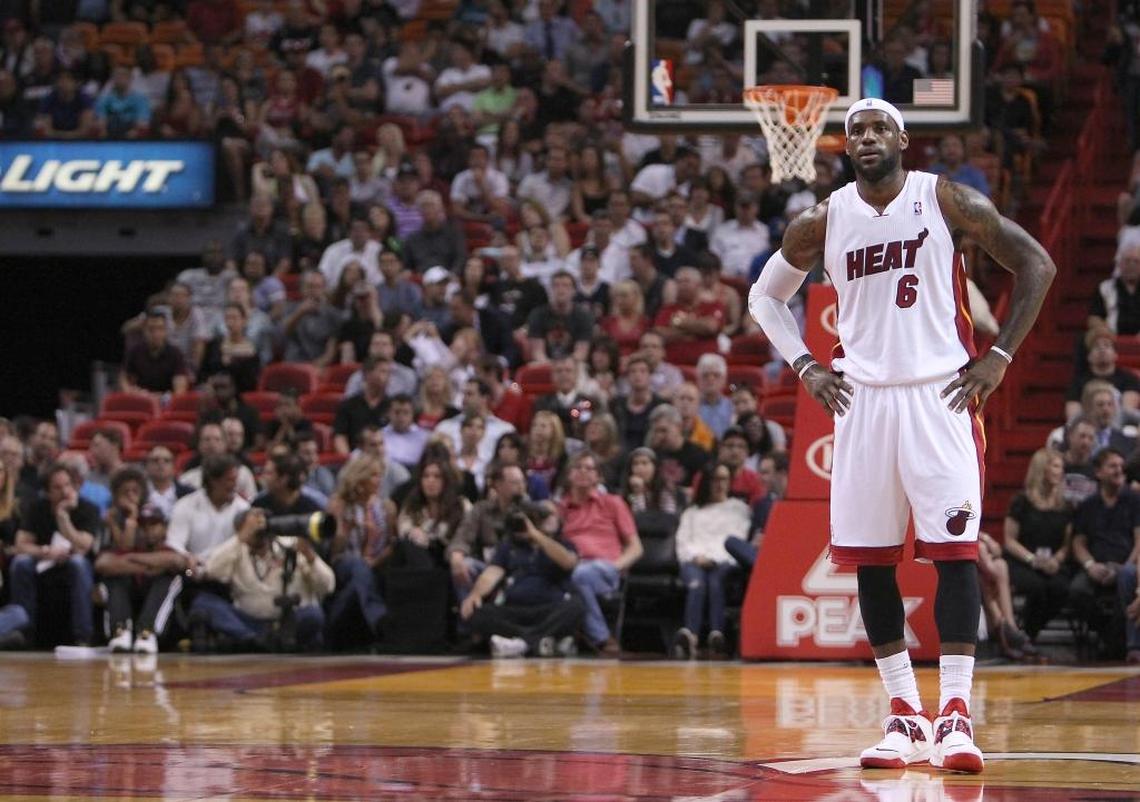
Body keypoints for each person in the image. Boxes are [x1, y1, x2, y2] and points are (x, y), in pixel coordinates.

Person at [748, 97, 1055, 773]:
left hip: (939, 395)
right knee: (872, 563)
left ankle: (955, 716)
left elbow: (1036, 263)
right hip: (861, 403)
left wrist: (999, 357)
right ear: (844, 144)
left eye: (879, 127)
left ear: (903, 139)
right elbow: (764, 297)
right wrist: (803, 364)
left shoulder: (945, 200)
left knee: (954, 554)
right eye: (856, 129)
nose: (866, 137)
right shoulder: (823, 221)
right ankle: (905, 715)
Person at [459, 496, 583, 659]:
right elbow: (493, 572)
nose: (547, 518)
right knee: (479, 613)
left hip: (548, 609)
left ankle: (520, 644)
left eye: (550, 515)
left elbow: (568, 562)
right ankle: (537, 640)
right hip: (515, 610)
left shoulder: (563, 544)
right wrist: (475, 594)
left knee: (576, 606)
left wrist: (536, 534)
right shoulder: (509, 546)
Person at [559, 450, 643, 655]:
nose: (583, 472)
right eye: (578, 468)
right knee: (568, 577)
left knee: (580, 575)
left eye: (589, 468)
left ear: (598, 476)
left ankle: (601, 637)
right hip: (572, 566)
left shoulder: (612, 503)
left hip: (605, 567)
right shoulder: (560, 509)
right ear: (569, 474)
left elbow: (636, 547)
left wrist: (616, 567)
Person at [9, 463, 100, 646]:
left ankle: (83, 636)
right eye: (57, 488)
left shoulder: (88, 509)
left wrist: (63, 518)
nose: (65, 491)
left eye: (68, 485)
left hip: (74, 563)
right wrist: (45, 552)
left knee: (78, 563)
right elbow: (21, 544)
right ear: (48, 492)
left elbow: (85, 545)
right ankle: (24, 633)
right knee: (20, 563)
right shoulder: (37, 508)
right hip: (45, 560)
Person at [673, 462, 750, 660]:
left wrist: (714, 559)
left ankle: (717, 634)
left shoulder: (738, 509)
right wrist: (697, 557)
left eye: (724, 479)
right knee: (696, 584)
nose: (720, 484)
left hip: (724, 561)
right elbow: (683, 541)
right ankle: (691, 635)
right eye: (715, 479)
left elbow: (737, 539)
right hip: (695, 560)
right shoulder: (692, 512)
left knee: (716, 583)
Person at [1003, 448, 1072, 649]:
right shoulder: (1021, 501)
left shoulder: (1064, 505)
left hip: (1052, 562)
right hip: (1023, 561)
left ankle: (1029, 633)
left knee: (1061, 588)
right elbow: (1009, 540)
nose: (1060, 472)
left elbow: (1067, 543)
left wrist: (1056, 560)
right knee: (1037, 588)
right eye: (1056, 466)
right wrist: (1033, 560)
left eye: (1061, 468)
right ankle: (1021, 636)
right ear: (1042, 469)